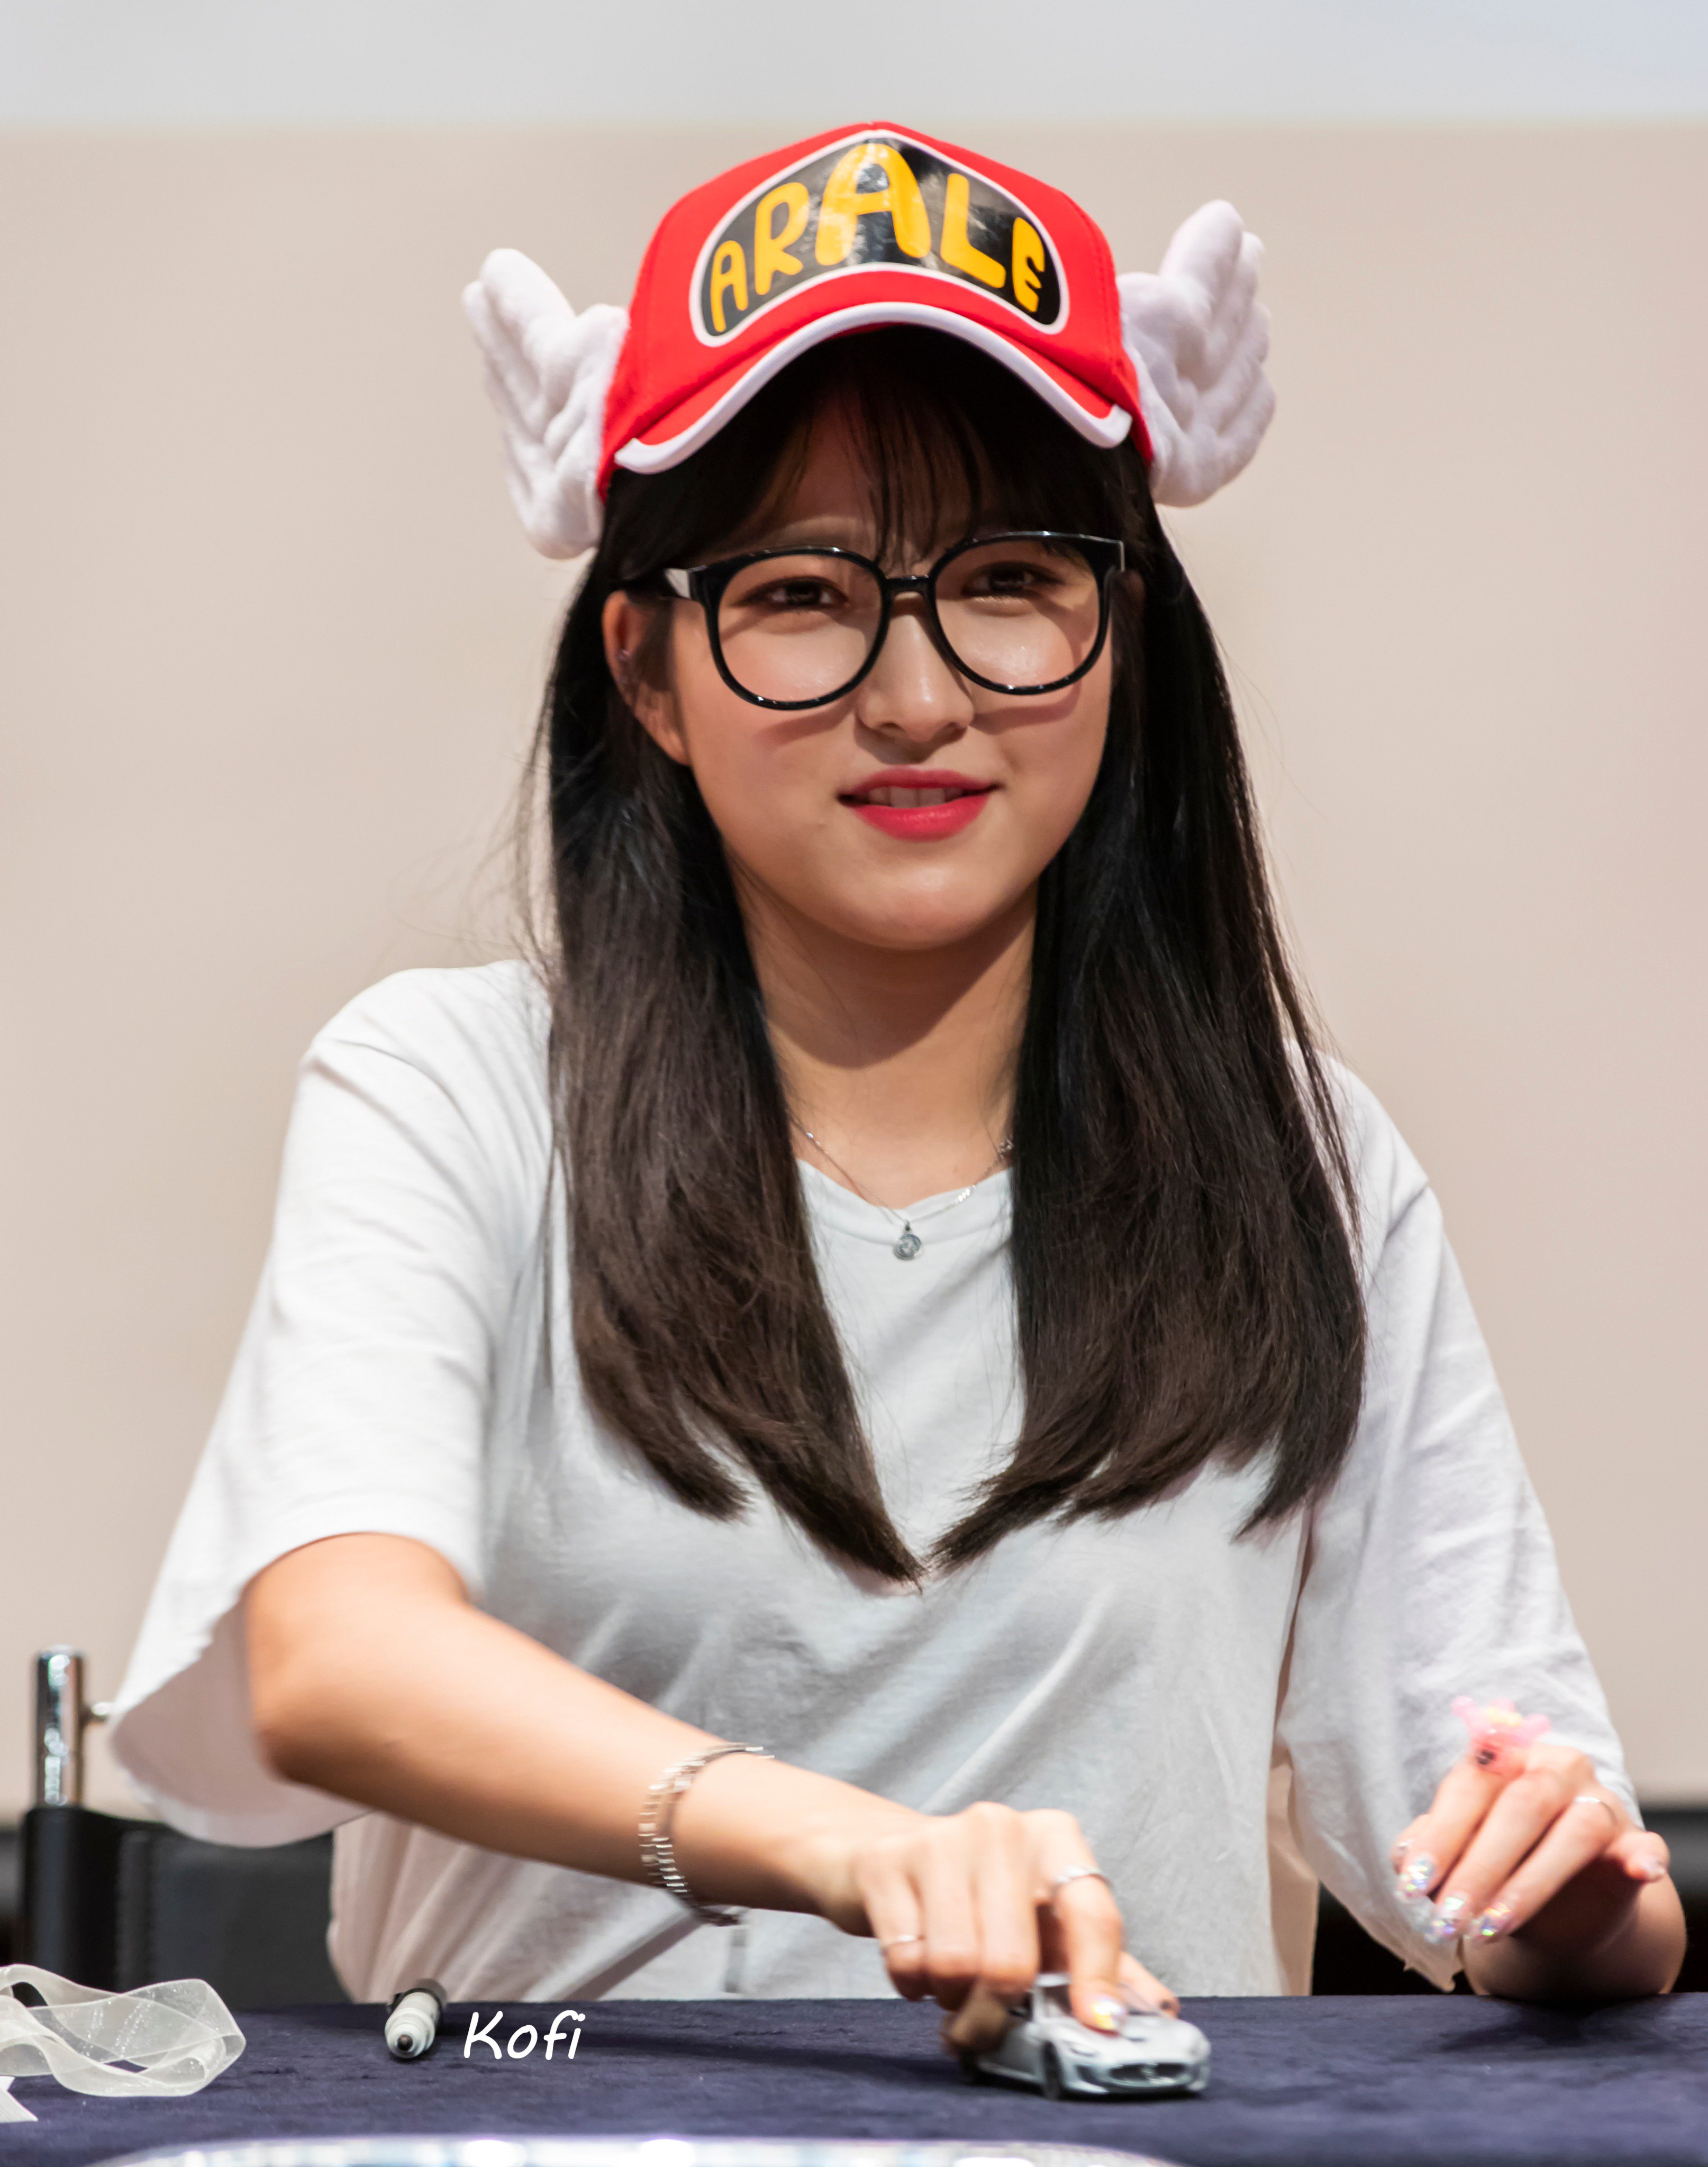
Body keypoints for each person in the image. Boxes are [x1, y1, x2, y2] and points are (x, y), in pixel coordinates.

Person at [111, 123, 1683, 2043]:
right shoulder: (454, 1091)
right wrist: (848, 1847)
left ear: (1124, 642)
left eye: (1008, 579)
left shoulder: (1300, 1161)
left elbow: (1505, 1882)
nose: (919, 697)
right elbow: (333, 1661)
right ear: (645, 670)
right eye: (800, 594)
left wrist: (1573, 1900)